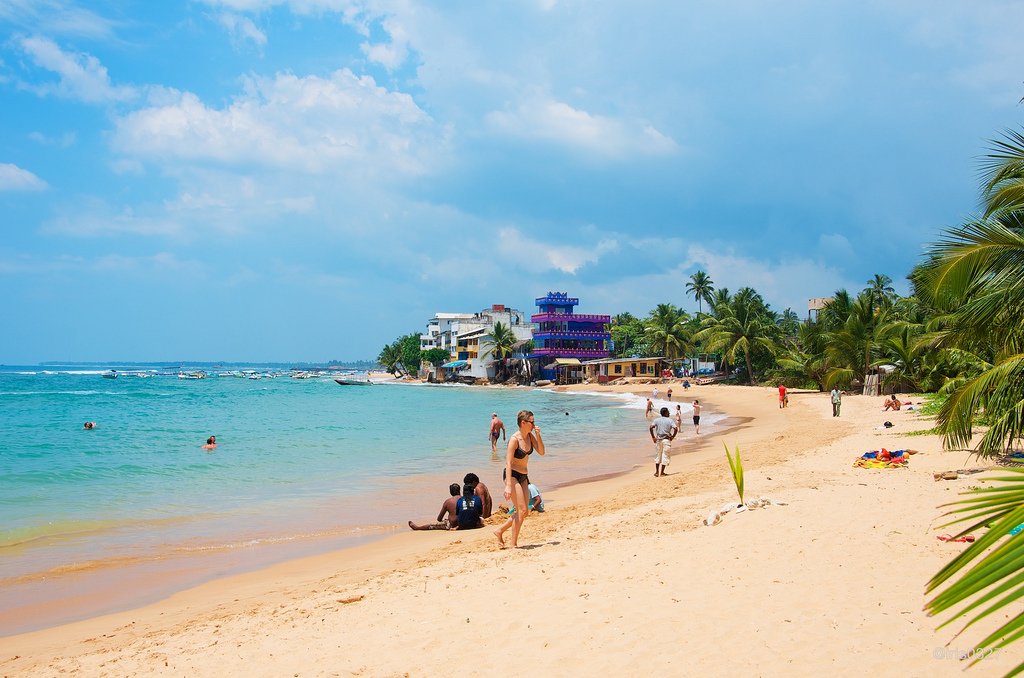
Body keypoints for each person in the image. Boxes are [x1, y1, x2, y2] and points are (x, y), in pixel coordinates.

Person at [495, 409, 545, 548]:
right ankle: (513, 545)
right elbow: (508, 463)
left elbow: (541, 452)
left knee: (524, 511)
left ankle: (499, 531)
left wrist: (538, 434)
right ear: (523, 423)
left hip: (523, 475)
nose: (534, 424)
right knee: (521, 510)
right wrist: (508, 485)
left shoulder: (530, 436)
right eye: (532, 422)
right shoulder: (514, 439)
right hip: (512, 475)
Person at [649, 406, 678, 477]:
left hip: (658, 440)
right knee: (665, 455)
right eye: (668, 411)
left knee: (658, 456)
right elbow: (676, 429)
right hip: (666, 440)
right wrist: (672, 437)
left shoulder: (656, 420)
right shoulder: (670, 420)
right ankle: (662, 472)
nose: (669, 413)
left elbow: (651, 427)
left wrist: (653, 437)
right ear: (665, 413)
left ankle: (656, 472)